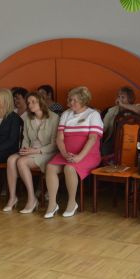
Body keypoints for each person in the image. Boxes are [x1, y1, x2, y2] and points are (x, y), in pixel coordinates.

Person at [44, 86, 103, 218]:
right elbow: (59, 138)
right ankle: (52, 204)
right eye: (70, 99)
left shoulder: (93, 114)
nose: (70, 103)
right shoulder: (66, 114)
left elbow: (93, 139)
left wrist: (79, 157)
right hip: (66, 154)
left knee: (69, 168)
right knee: (50, 167)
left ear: (83, 100)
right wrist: (64, 153)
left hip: (88, 155)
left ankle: (72, 203)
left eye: (74, 100)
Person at [3, 92, 59, 213]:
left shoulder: (54, 117)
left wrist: (36, 151)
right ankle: (12, 198)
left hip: (46, 152)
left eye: (33, 101)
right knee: (11, 159)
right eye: (28, 102)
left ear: (41, 102)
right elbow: (26, 139)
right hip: (30, 150)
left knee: (21, 162)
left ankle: (31, 198)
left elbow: (54, 145)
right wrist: (24, 149)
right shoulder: (28, 118)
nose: (30, 104)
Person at [101, 87, 140, 156]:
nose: (120, 99)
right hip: (114, 140)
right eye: (119, 97)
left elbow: (139, 111)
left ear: (130, 99)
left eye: (123, 97)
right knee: (104, 150)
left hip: (132, 140)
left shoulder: (137, 106)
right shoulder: (112, 110)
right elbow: (103, 127)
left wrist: (122, 105)